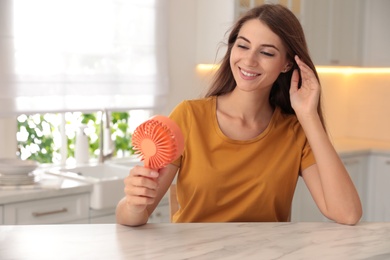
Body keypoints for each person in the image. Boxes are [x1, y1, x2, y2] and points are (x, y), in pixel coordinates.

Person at [116, 4, 362, 226]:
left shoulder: (295, 131)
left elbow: (347, 213)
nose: (249, 60)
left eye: (266, 53)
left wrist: (308, 115)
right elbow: (134, 216)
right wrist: (133, 204)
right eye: (243, 46)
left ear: (287, 64)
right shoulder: (189, 116)